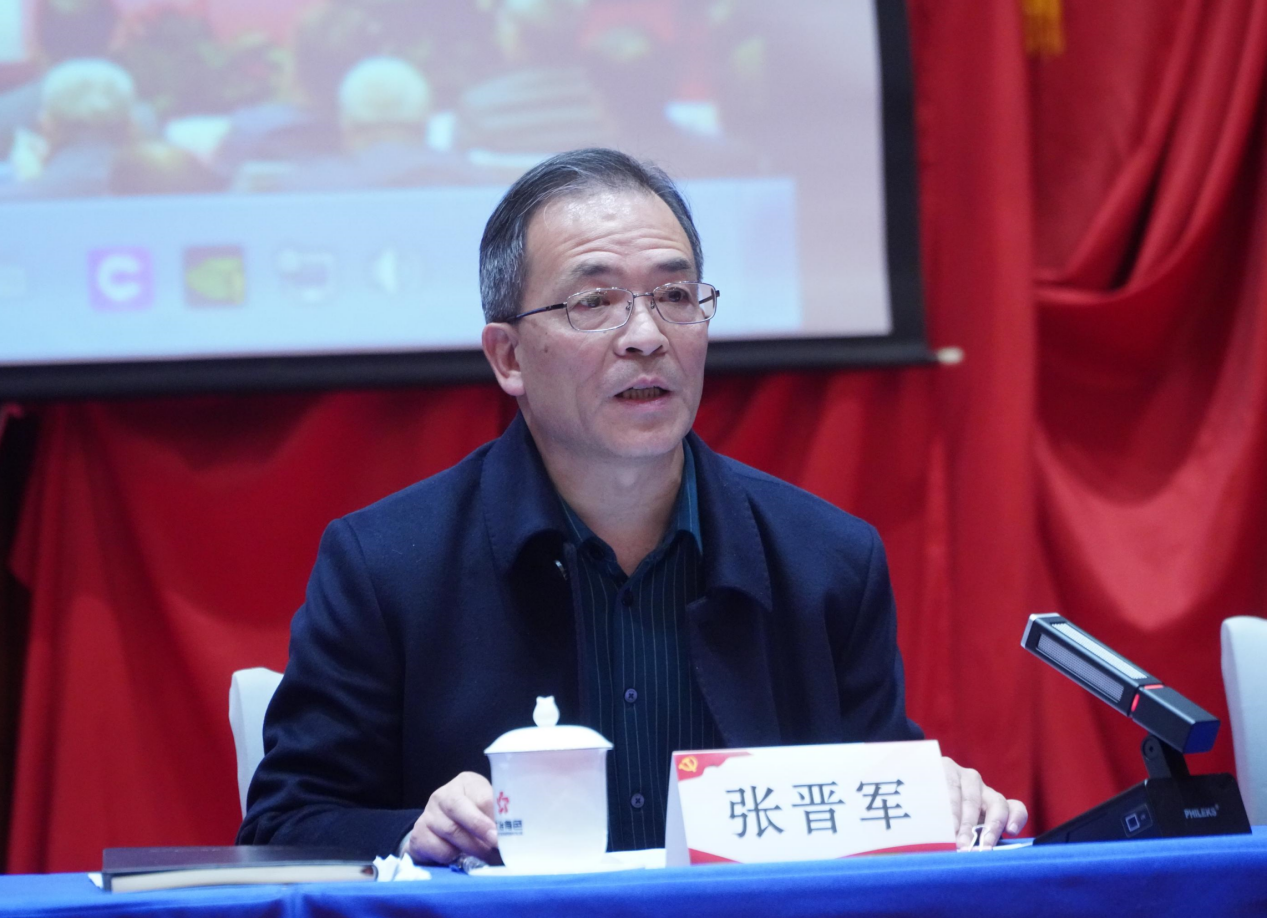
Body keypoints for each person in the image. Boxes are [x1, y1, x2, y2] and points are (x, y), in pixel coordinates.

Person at [237, 147, 1028, 862]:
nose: (646, 335)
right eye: (593, 303)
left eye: (675, 295)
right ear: (508, 357)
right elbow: (285, 824)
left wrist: (940, 800)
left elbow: (879, 811)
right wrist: (414, 832)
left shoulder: (825, 560)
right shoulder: (387, 565)